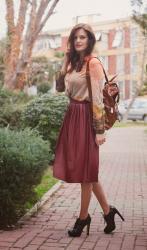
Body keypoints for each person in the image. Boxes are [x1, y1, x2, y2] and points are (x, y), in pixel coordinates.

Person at [53, 23, 124, 237]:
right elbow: (59, 88)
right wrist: (65, 61)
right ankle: (108, 212)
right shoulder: (73, 64)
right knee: (87, 172)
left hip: (87, 118)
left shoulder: (92, 63)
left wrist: (99, 130)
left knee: (87, 173)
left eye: (82, 37)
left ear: (90, 39)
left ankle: (83, 218)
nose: (78, 41)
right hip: (72, 116)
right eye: (75, 37)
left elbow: (97, 101)